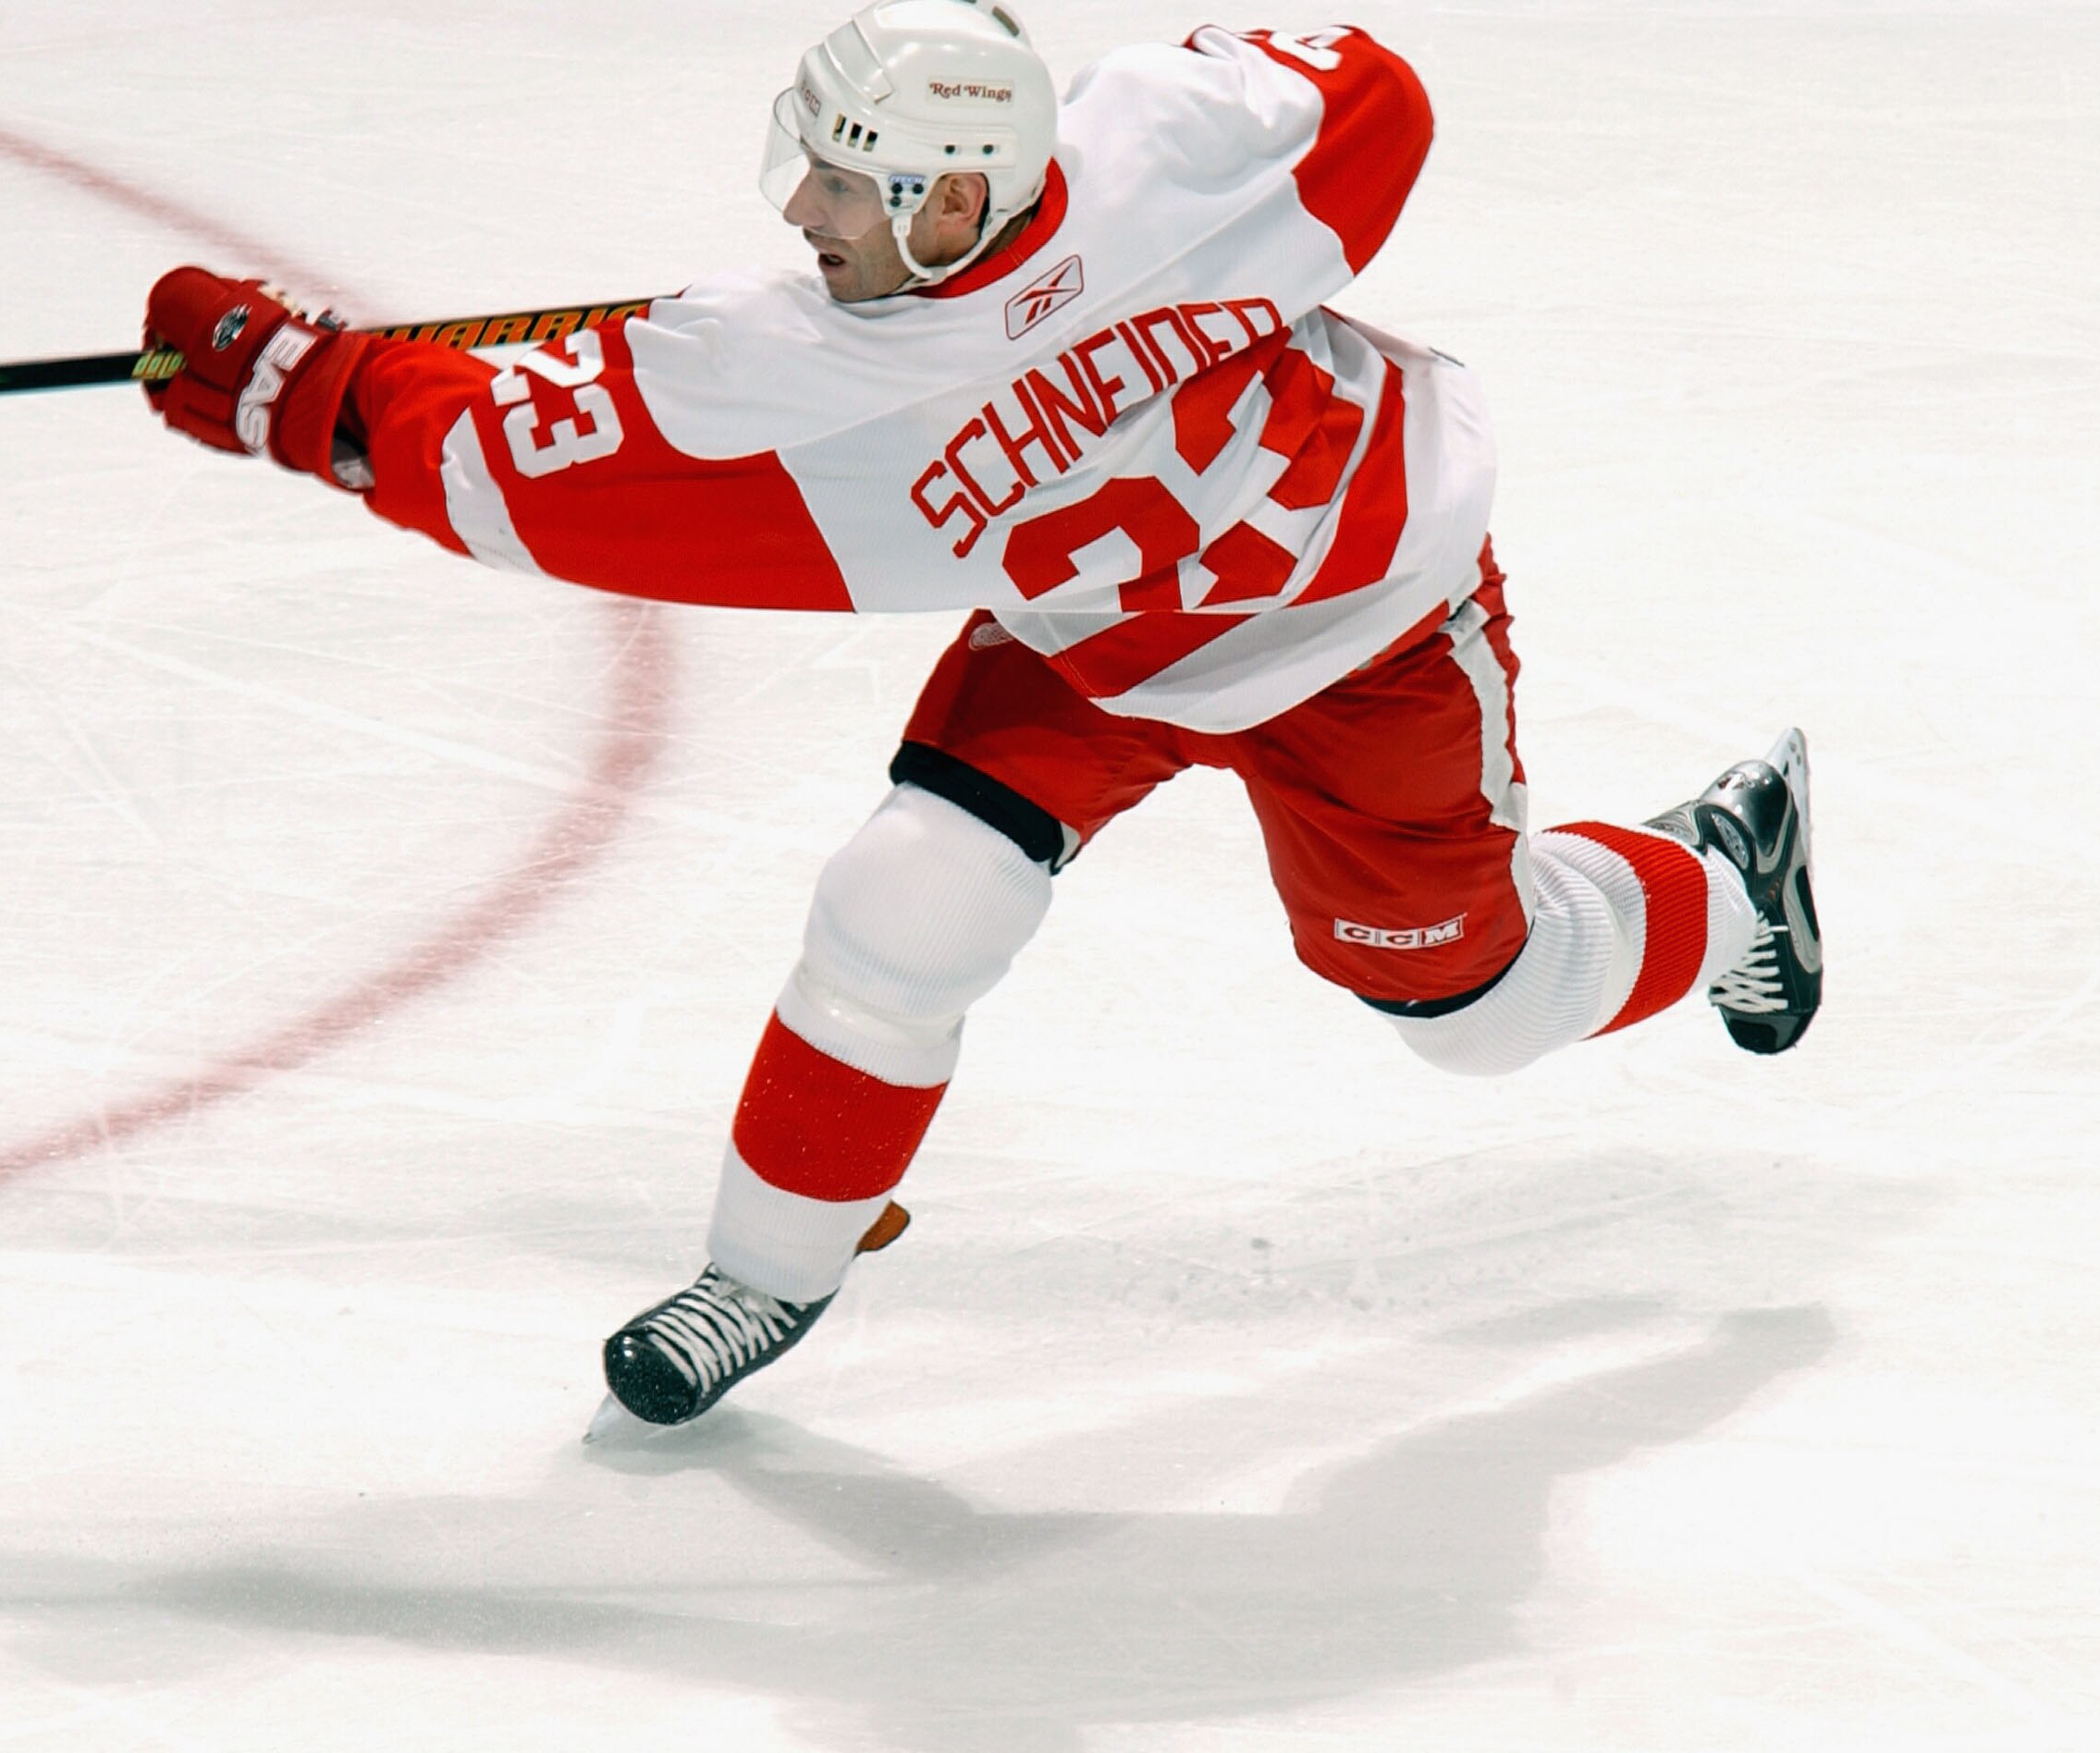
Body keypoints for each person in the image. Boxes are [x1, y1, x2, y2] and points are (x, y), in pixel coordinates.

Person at [136, 1, 1823, 1428]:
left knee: (1475, 1018)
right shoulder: (779, 357)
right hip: (1089, 642)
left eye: (844, 180)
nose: (800, 204)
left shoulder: (1164, 154)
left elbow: (1365, 92)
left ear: (957, 199)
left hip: (1365, 627)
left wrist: (1127, 228)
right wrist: (320, 393)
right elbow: (532, 462)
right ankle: (765, 1271)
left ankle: (1731, 869)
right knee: (900, 904)